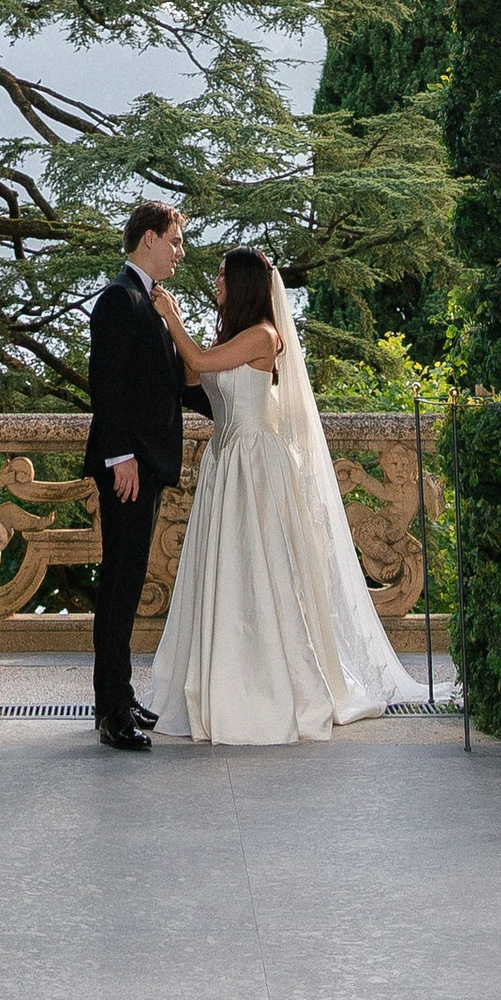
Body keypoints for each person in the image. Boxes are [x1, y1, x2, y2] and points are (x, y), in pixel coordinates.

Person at [145, 246, 423, 746]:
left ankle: (272, 682)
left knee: (263, 566)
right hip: (225, 460)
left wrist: (172, 318)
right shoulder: (232, 334)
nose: (217, 285)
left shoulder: (263, 336)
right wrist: (180, 334)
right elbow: (194, 374)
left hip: (255, 463)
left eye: (224, 278)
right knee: (227, 569)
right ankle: (220, 674)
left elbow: (201, 361)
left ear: (247, 286)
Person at [81, 201, 205, 751]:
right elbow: (105, 388)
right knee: (120, 584)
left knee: (127, 584)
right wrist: (120, 458)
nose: (180, 252)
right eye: (175, 241)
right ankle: (111, 713)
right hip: (129, 470)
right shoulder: (119, 299)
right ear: (150, 238)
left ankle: (120, 693)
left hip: (145, 466)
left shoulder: (148, 302)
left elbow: (168, 383)